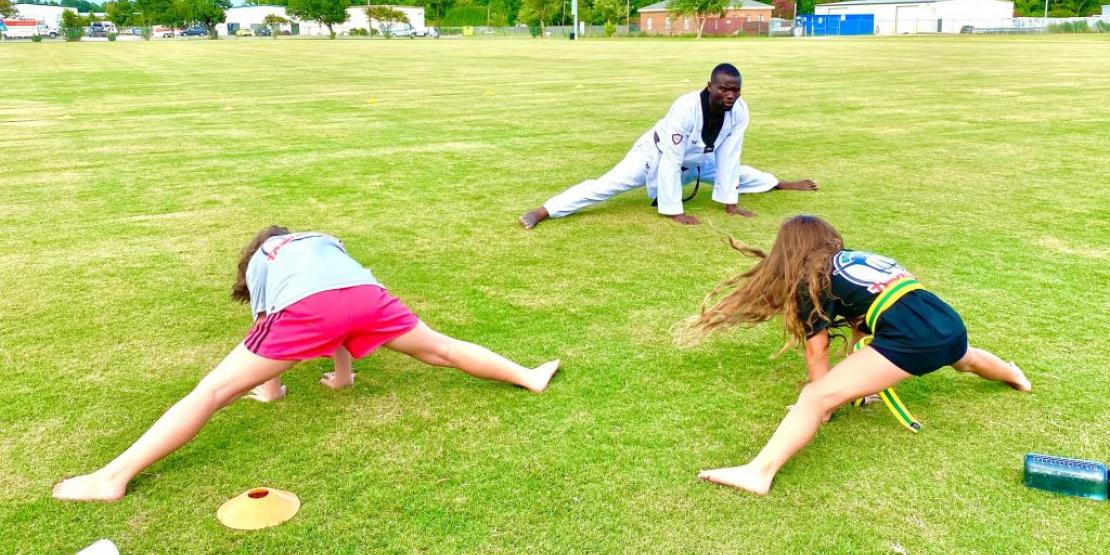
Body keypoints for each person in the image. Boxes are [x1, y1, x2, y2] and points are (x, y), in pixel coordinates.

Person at [52, 226, 560, 502]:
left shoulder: (263, 260)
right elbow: (340, 311)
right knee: (442, 349)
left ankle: (111, 477)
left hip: (313, 305)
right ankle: (528, 376)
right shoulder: (324, 239)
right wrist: (342, 377)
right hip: (366, 293)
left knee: (211, 391)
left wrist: (270, 391)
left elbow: (273, 329)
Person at [683, 215, 1031, 495]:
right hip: (944, 320)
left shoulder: (811, 279)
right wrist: (857, 384)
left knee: (813, 396)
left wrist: (824, 404)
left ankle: (758, 473)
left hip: (914, 335)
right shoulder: (859, 259)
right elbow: (863, 327)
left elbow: (817, 350)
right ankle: (1014, 374)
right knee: (965, 359)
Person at [518, 63, 815, 229]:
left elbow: (730, 156)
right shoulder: (686, 108)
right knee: (608, 184)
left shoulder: (740, 110)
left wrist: (730, 204)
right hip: (655, 154)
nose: (731, 95)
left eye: (736, 89)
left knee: (743, 172)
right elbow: (671, 162)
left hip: (698, 158)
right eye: (725, 88)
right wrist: (673, 210)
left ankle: (779, 184)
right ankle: (544, 211)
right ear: (709, 86)